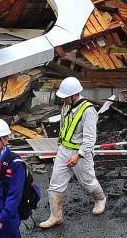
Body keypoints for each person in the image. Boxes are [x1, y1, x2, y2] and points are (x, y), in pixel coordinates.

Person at [39, 77, 105, 228]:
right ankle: (56, 216)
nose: (63, 99)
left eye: (65, 97)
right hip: (64, 150)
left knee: (87, 182)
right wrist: (60, 147)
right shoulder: (66, 106)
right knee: (55, 184)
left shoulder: (88, 110)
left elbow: (90, 139)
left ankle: (100, 199)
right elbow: (64, 128)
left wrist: (79, 155)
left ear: (75, 95)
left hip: (80, 153)